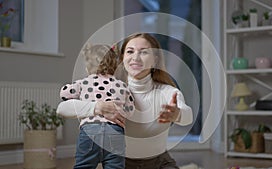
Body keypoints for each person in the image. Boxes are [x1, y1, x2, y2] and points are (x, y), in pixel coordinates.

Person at [57, 33, 193, 169]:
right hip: (123, 162)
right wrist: (98, 106)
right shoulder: (113, 89)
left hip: (159, 162)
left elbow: (188, 116)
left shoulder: (168, 92)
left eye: (144, 52)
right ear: (122, 58)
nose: (135, 57)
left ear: (155, 60)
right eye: (130, 51)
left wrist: (177, 114)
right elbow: (62, 108)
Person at [59, 43, 135, 169]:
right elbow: (130, 110)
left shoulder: (84, 82)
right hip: (115, 132)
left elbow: (65, 93)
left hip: (90, 131)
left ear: (88, 67)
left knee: (83, 166)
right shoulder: (122, 85)